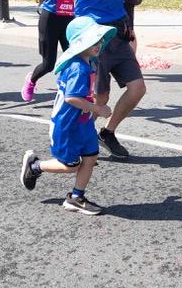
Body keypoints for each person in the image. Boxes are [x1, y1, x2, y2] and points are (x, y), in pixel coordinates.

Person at [45, 0, 175, 161]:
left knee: (137, 89)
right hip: (93, 36)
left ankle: (107, 132)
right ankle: (71, 135)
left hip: (118, 31)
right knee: (100, 96)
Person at [20, 16, 116, 215]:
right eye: (93, 40)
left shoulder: (88, 62)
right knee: (70, 166)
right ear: (81, 44)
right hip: (68, 126)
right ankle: (36, 166)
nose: (98, 44)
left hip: (83, 123)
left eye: (99, 40)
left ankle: (76, 198)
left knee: (90, 157)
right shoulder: (78, 68)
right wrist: (97, 108)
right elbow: (71, 98)